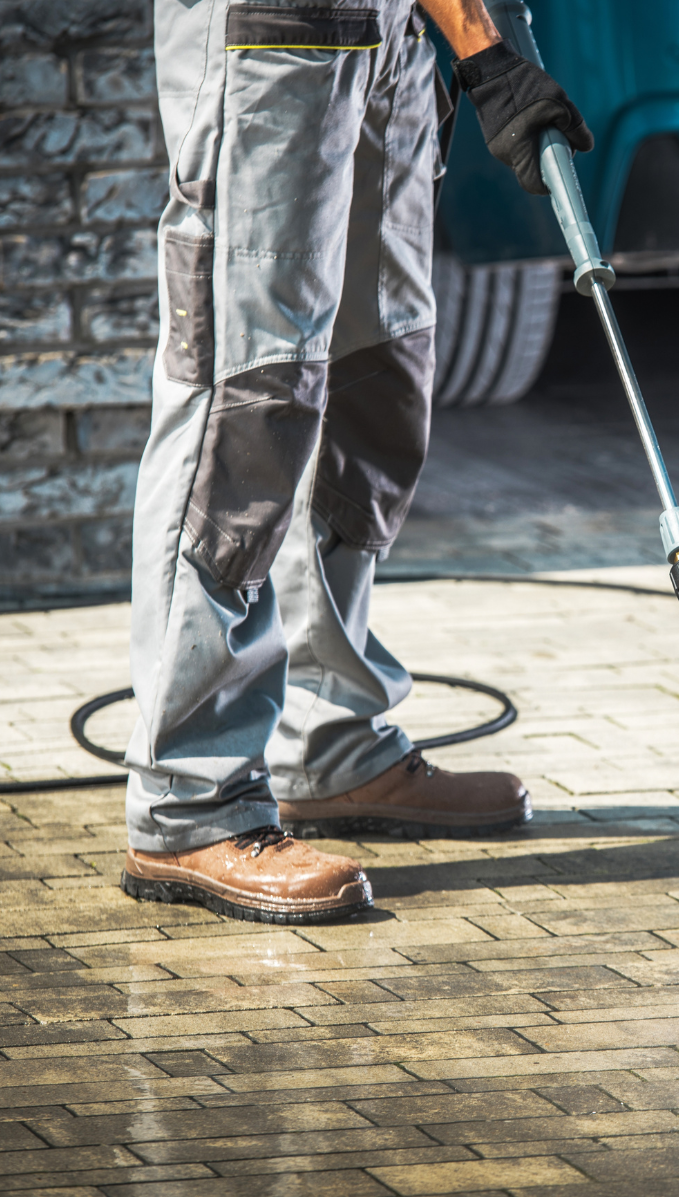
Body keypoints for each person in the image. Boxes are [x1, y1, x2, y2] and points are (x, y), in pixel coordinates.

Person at [120, 0, 592, 924]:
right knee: (251, 394)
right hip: (272, 30)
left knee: (377, 379)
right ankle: (191, 795)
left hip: (395, 38)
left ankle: (331, 741)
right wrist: (480, 42)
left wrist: (483, 43)